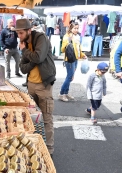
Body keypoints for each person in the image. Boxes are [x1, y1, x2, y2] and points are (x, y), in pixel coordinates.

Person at [16, 19, 56, 155]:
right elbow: (22, 68)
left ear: (29, 30)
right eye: (18, 33)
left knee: (46, 118)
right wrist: (32, 58)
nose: (19, 36)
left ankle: (49, 149)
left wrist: (26, 52)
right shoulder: (25, 44)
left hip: (43, 85)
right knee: (32, 118)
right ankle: (35, 145)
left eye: (21, 33)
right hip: (31, 85)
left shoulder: (41, 38)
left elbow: (38, 57)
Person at [59, 22, 87, 102]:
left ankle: (66, 92)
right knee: (69, 77)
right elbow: (63, 49)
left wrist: (82, 55)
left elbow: (78, 49)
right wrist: (68, 41)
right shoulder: (67, 36)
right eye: (74, 28)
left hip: (76, 59)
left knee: (70, 77)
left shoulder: (77, 36)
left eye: (77, 28)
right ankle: (61, 94)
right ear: (70, 28)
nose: (76, 30)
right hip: (69, 59)